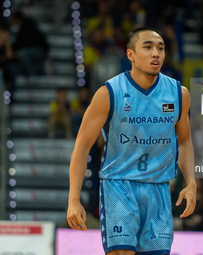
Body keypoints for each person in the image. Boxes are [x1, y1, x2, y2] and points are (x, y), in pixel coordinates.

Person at [67, 27, 196, 255]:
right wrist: (73, 199)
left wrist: (191, 181)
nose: (156, 53)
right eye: (147, 47)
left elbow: (184, 141)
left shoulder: (179, 94)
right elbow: (82, 146)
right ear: (131, 55)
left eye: (160, 48)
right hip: (119, 185)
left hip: (158, 188)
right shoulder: (109, 93)